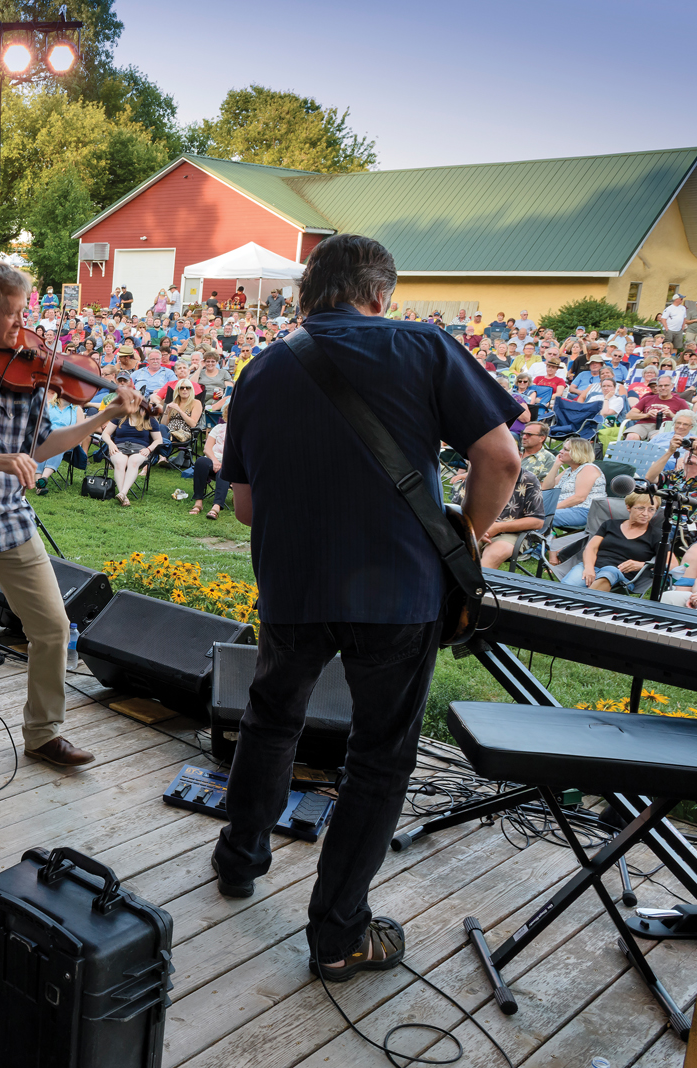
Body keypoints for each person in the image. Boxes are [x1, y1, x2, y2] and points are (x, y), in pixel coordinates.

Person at [212, 233, 521, 983]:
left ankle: (238, 860)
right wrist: (467, 537)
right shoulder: (423, 347)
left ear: (306, 293)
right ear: (379, 293)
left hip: (292, 587)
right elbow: (502, 459)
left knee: (270, 717)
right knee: (378, 760)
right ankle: (338, 934)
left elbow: (246, 507)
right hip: (396, 591)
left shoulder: (259, 369)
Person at [0, 260, 140, 767]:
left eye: (23, 313)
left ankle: (43, 734)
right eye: (12, 316)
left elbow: (42, 443)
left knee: (53, 627)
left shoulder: (27, 367)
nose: (22, 325)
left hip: (8, 518)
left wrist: (103, 416)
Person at [560, 491, 662, 592]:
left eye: (651, 509)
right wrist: (589, 568)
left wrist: (642, 565)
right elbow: (591, 548)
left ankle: (584, 602)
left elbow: (671, 564)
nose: (645, 513)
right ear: (628, 507)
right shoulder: (610, 525)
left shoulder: (656, 535)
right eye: (641, 508)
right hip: (593, 566)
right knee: (568, 587)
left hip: (620, 575)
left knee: (610, 572)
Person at [101, 388, 161, 507]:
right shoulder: (119, 416)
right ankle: (124, 496)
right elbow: (105, 434)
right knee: (119, 461)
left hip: (140, 449)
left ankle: (122, 493)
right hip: (119, 447)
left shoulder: (150, 420)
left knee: (133, 462)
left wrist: (149, 449)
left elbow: (158, 440)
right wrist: (111, 444)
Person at [541, 437, 605, 528]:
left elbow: (579, 498)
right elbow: (546, 488)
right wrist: (556, 465)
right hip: (566, 509)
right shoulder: (569, 470)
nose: (560, 451)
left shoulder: (588, 469)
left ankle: (546, 539)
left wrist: (550, 509)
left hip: (584, 510)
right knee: (529, 513)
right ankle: (549, 537)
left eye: (566, 449)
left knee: (538, 517)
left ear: (577, 453)